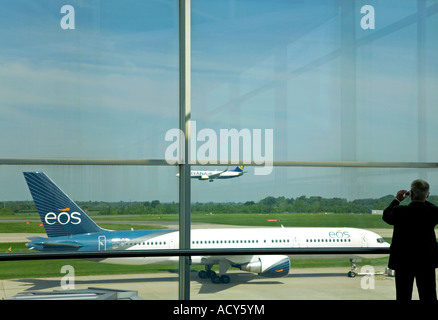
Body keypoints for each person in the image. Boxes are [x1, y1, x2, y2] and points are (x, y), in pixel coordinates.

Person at [383, 179, 438, 300]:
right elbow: (432, 208)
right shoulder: (433, 212)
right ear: (427, 194)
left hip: (403, 261)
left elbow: (386, 215)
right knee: (429, 295)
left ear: (410, 194)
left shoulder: (399, 211)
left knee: (403, 295)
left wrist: (397, 199)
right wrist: (423, 198)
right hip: (426, 261)